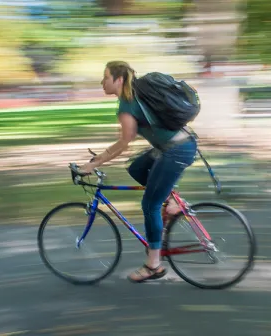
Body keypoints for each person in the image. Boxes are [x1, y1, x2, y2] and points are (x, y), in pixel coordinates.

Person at [79, 61, 197, 283]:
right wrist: (98, 159)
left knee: (150, 205)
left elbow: (124, 142)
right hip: (177, 146)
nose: (102, 82)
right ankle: (172, 201)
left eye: (105, 77)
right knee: (137, 167)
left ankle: (153, 265)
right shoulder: (134, 96)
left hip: (176, 151)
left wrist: (93, 164)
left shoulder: (128, 104)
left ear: (119, 80)